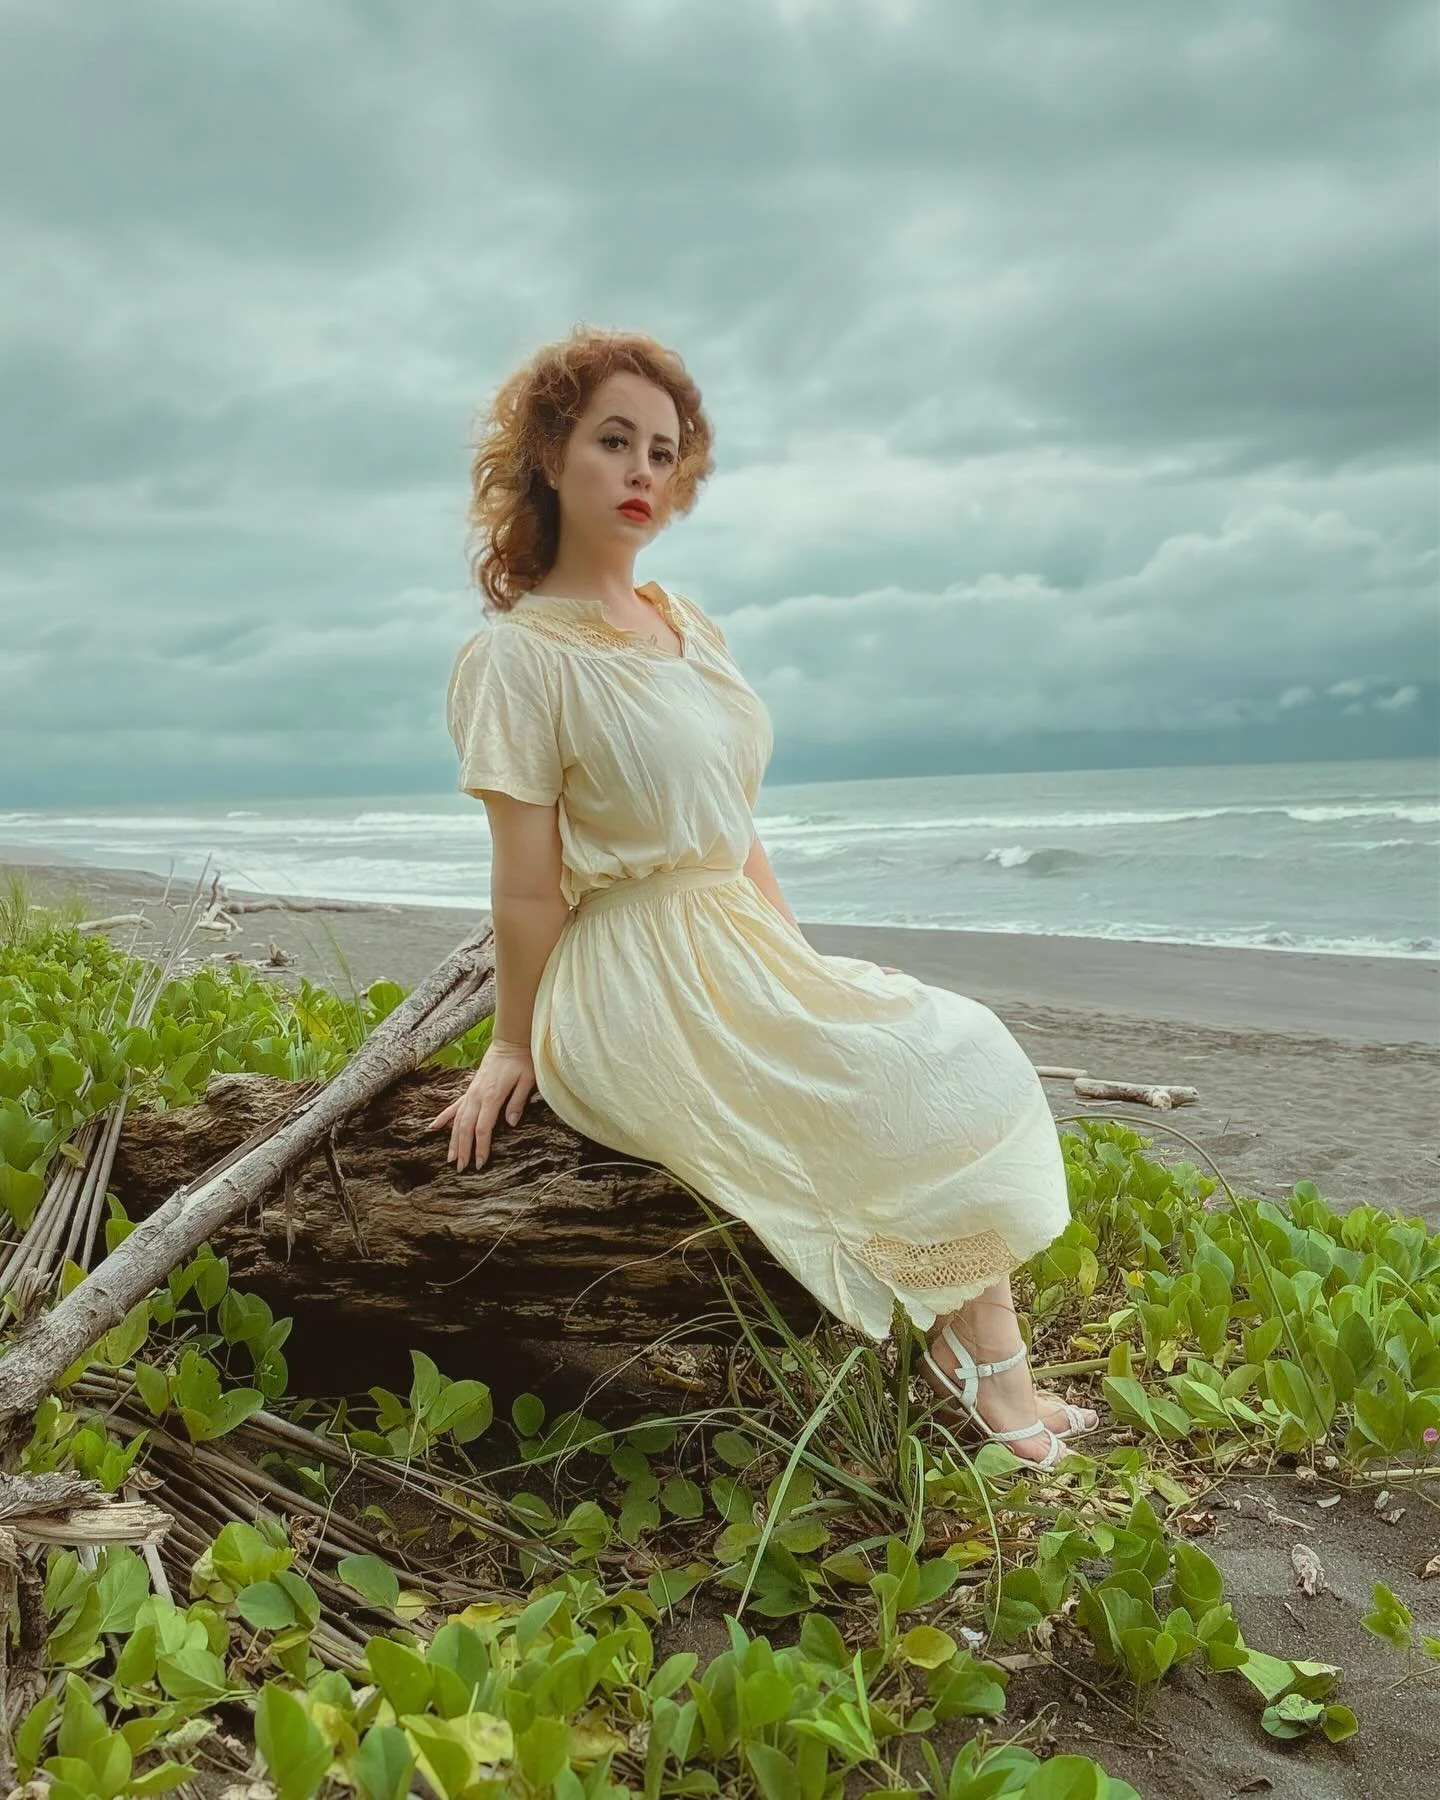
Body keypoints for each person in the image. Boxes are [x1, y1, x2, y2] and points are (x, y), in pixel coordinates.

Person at [429, 326, 1098, 1467]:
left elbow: (735, 828)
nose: (644, 471)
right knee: (904, 1080)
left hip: (733, 940)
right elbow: (530, 887)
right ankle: (991, 1377)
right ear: (548, 451)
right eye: (613, 441)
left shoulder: (689, 627)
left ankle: (976, 1358)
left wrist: (804, 968)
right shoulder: (517, 660)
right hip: (633, 975)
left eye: (664, 450)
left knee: (952, 1049)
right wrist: (510, 1043)